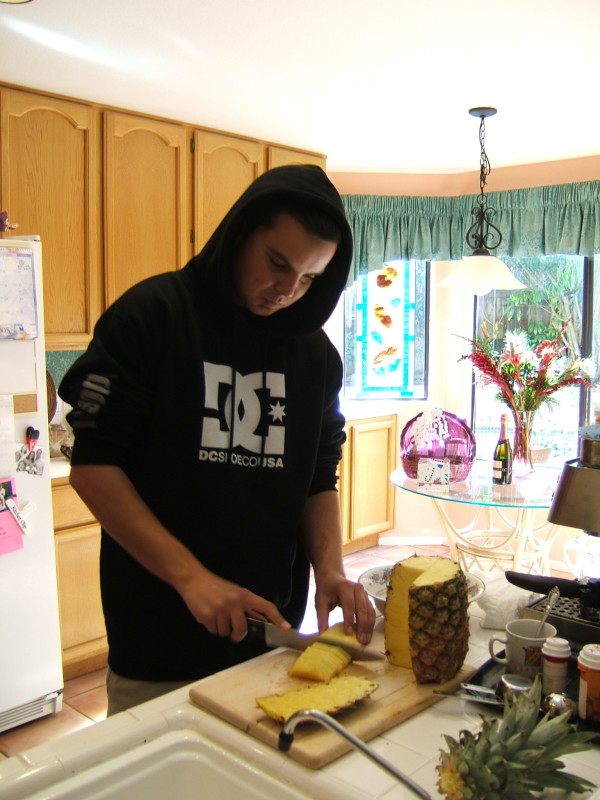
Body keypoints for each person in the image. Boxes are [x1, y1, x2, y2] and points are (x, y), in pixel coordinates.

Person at [59, 164, 376, 715]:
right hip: (157, 644)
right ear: (240, 232)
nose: (287, 290)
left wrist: (330, 569)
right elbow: (93, 467)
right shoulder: (152, 317)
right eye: (278, 263)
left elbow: (318, 474)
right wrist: (193, 579)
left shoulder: (316, 358)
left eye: (309, 278)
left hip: (270, 640)